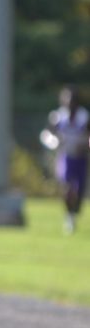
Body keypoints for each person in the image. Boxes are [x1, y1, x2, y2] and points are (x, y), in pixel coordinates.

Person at [43, 86, 90, 234]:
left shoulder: (84, 117)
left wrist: (84, 145)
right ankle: (69, 217)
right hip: (65, 156)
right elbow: (47, 134)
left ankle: (74, 211)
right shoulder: (58, 117)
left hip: (81, 157)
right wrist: (55, 142)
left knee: (79, 189)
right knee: (68, 187)